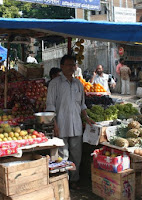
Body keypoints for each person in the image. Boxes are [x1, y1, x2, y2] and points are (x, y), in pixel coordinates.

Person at [46, 54, 94, 189]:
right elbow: (50, 106)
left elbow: (82, 105)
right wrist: (54, 124)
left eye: (73, 65)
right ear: (62, 66)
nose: (72, 67)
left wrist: (87, 118)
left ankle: (74, 180)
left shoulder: (78, 84)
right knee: (63, 155)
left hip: (77, 125)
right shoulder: (54, 84)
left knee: (76, 156)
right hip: (61, 124)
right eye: (69, 65)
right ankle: (63, 181)